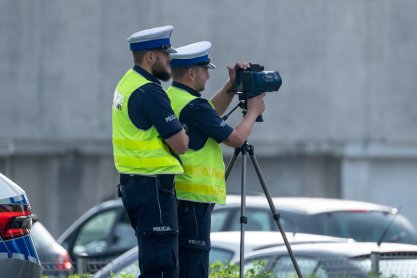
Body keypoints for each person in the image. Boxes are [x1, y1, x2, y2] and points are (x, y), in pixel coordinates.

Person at [166, 41, 265, 277]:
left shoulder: (174, 97)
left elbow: (211, 112)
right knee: (194, 269)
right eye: (205, 70)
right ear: (191, 73)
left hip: (178, 196)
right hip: (193, 200)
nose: (208, 76)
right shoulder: (194, 107)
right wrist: (253, 112)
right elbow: (236, 138)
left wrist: (231, 85)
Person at [112, 25, 188, 278]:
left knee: (152, 260)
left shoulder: (127, 82)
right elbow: (181, 144)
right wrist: (182, 131)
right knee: (162, 266)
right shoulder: (150, 91)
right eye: (166, 55)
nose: (170, 61)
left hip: (135, 185)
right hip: (153, 187)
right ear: (151, 56)